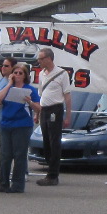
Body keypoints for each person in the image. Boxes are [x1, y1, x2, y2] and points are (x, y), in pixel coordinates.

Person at [0, 62, 39, 193]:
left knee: (19, 155)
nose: (17, 75)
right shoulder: (7, 87)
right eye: (15, 72)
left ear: (25, 76)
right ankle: (3, 184)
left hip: (22, 125)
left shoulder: (30, 89)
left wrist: (29, 102)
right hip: (6, 124)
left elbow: (38, 108)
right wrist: (9, 84)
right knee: (5, 155)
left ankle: (17, 184)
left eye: (20, 73)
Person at [35, 48, 72, 186]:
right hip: (44, 109)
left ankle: (53, 175)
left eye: (41, 58)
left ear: (49, 59)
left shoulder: (62, 74)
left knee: (54, 141)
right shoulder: (41, 74)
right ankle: (49, 171)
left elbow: (67, 97)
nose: (39, 61)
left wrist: (67, 116)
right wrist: (37, 113)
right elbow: (41, 95)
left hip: (55, 110)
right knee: (46, 141)